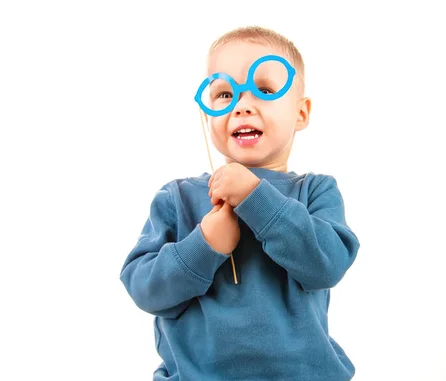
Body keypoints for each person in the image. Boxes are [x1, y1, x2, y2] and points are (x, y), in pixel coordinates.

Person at [120, 25, 361, 380]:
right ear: (207, 114)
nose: (243, 105)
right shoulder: (178, 198)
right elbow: (144, 290)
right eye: (223, 94)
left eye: (264, 89)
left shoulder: (316, 191)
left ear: (301, 112)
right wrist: (203, 246)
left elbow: (325, 266)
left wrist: (255, 198)